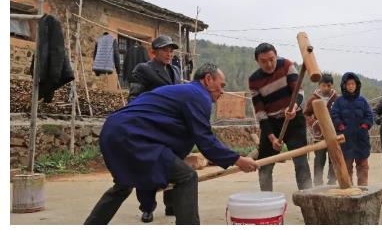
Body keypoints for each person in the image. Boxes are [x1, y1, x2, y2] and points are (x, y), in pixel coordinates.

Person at [84, 63, 258, 225]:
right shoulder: (199, 95)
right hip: (132, 136)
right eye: (222, 85)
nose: (222, 91)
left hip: (114, 132)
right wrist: (238, 160)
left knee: (123, 186)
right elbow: (205, 139)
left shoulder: (184, 92)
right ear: (208, 79)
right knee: (187, 177)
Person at [127, 35, 182, 222]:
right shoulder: (143, 69)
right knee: (147, 166)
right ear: (154, 52)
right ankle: (147, 207)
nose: (169, 53)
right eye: (165, 50)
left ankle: (171, 204)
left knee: (173, 165)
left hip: (171, 126)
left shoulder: (175, 71)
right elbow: (133, 97)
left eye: (171, 50)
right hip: (150, 126)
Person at [249, 43, 312, 191]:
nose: (269, 64)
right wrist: (272, 138)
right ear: (257, 62)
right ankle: (266, 200)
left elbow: (299, 92)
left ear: (276, 55)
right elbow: (260, 113)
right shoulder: (254, 80)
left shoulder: (287, 66)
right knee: (264, 165)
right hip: (271, 123)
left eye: (271, 59)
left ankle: (308, 197)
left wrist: (293, 108)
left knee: (300, 161)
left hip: (293, 119)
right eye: (263, 61)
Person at [331, 72, 374, 186]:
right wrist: (341, 127)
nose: (351, 86)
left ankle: (363, 189)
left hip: (361, 138)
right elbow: (334, 115)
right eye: (348, 84)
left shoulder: (363, 101)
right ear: (344, 85)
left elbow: (369, 115)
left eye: (353, 84)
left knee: (363, 167)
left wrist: (364, 126)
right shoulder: (339, 101)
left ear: (357, 85)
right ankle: (348, 189)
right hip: (345, 139)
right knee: (346, 167)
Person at [303, 73, 338, 186]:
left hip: (333, 134)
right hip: (319, 135)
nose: (326, 88)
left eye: (328, 85)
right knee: (319, 159)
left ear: (332, 85)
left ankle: (332, 181)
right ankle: (318, 182)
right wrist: (314, 123)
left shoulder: (336, 98)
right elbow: (306, 114)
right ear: (319, 85)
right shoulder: (313, 98)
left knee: (334, 159)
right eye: (323, 85)